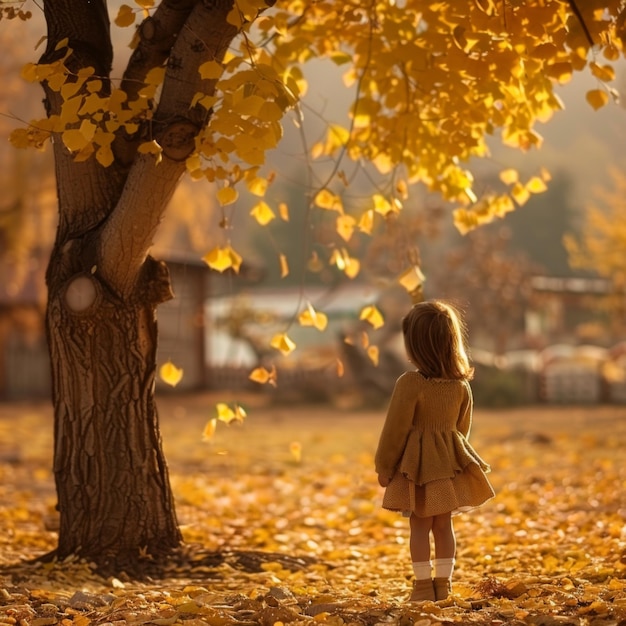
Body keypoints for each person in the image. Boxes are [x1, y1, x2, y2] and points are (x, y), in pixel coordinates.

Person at [375, 300, 495, 603]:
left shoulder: (410, 383)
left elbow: (395, 430)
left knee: (419, 525)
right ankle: (445, 584)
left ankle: (423, 586)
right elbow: (461, 430)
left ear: (414, 345)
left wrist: (385, 466)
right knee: (444, 525)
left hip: (417, 467)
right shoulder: (460, 386)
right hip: (448, 467)